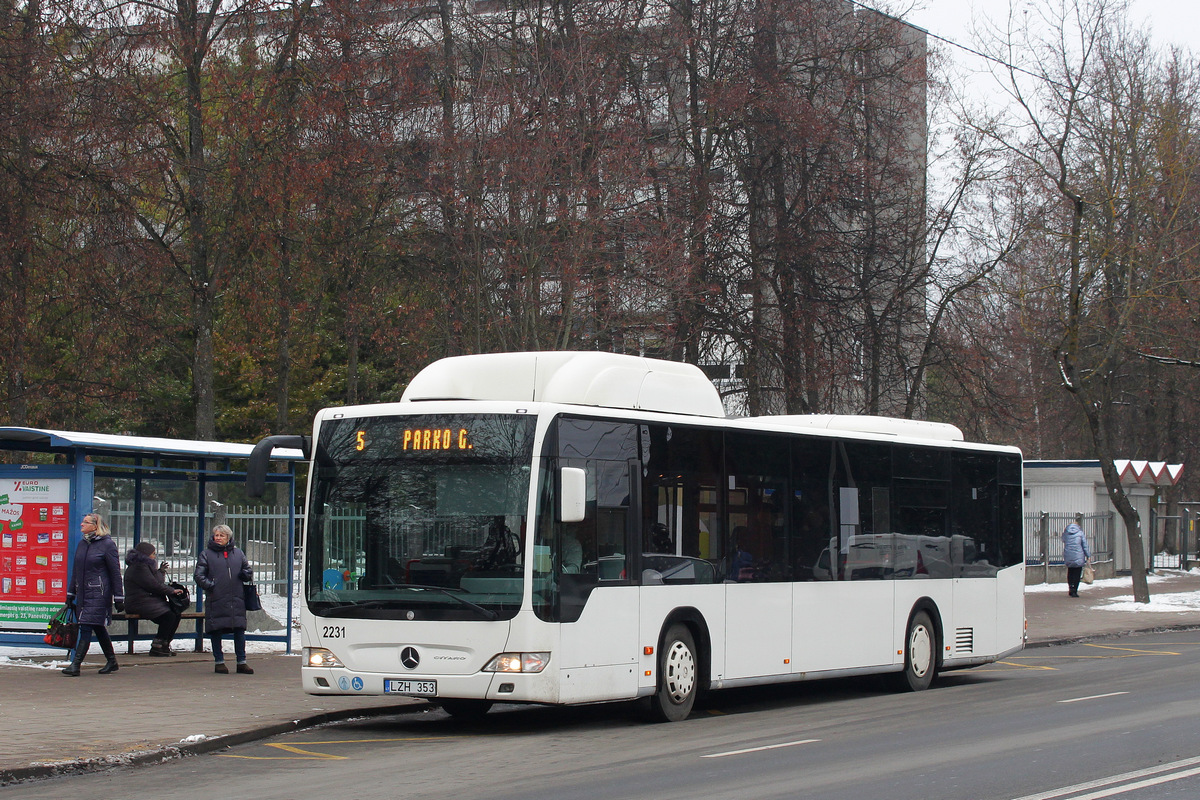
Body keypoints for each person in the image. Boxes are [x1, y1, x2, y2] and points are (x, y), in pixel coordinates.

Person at [63, 512, 124, 677]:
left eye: (86, 522)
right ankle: (112, 661)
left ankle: (76, 665)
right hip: (83, 593)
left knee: (86, 625)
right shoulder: (83, 544)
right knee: (97, 626)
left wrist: (119, 597)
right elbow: (76, 571)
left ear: (95, 526)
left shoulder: (107, 545)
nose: (82, 524)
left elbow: (115, 573)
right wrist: (70, 593)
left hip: (99, 592)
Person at [195, 524, 254, 674]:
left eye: (222, 535)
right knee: (216, 630)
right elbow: (199, 575)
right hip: (217, 597)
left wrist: (245, 574)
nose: (218, 538)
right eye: (216, 535)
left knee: (239, 630)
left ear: (228, 537)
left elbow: (247, 569)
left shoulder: (238, 553)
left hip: (236, 598)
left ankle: (241, 661)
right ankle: (219, 661)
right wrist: (211, 586)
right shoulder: (206, 554)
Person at [124, 541, 186, 657]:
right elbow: (153, 585)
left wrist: (160, 572)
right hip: (139, 602)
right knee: (169, 616)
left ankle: (164, 644)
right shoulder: (139, 567)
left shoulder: (144, 566)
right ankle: (158, 646)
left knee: (175, 613)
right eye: (153, 554)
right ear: (145, 555)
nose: (154, 556)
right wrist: (171, 591)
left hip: (146, 601)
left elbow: (156, 582)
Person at [1062, 521, 1091, 597]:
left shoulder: (1066, 533)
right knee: (1077, 573)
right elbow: (1084, 545)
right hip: (1078, 555)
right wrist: (1088, 555)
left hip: (1068, 554)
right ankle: (1075, 590)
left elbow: (1063, 540)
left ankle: (1070, 587)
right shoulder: (1080, 533)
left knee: (1070, 571)